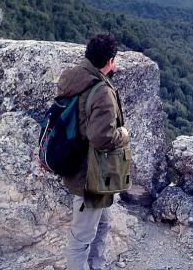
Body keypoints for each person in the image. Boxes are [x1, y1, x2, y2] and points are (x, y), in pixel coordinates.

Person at [60, 32, 130, 270]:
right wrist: (124, 134)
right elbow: (102, 138)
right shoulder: (101, 91)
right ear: (110, 61)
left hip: (78, 164)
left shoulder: (71, 78)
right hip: (91, 174)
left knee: (101, 225)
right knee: (81, 239)